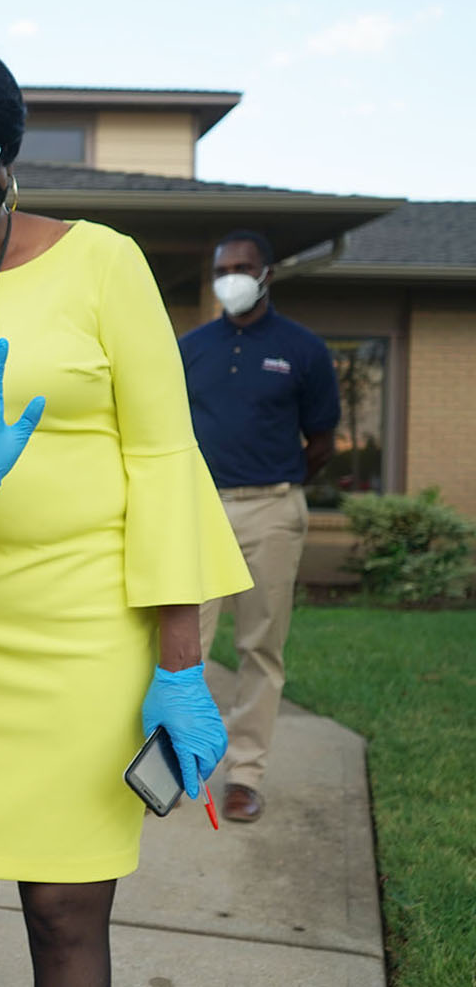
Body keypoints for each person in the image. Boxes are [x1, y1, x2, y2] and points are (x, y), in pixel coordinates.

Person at [0, 45, 251, 986]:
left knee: (66, 912)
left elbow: (163, 459)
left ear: (5, 150)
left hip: (87, 639)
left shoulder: (106, 263)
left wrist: (179, 663)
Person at [179, 229, 340, 823]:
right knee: (182, 641)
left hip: (272, 508)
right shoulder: (192, 347)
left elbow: (321, 441)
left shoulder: (302, 348)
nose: (232, 278)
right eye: (223, 269)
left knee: (259, 645)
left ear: (267, 273)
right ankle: (176, 764)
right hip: (199, 507)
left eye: (243, 267)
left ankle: (244, 773)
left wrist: (278, 479)